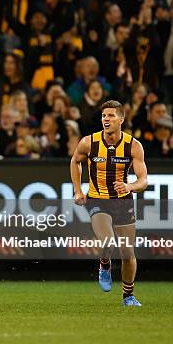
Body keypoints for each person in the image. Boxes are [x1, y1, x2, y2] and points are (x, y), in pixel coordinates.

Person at [70, 100, 148, 307]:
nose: (106, 119)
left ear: (121, 120)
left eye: (111, 116)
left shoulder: (133, 146)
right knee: (107, 241)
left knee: (127, 253)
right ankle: (104, 264)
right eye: (104, 116)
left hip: (122, 202)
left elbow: (143, 180)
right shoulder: (89, 142)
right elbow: (75, 161)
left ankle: (128, 296)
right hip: (98, 199)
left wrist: (130, 186)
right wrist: (78, 190)